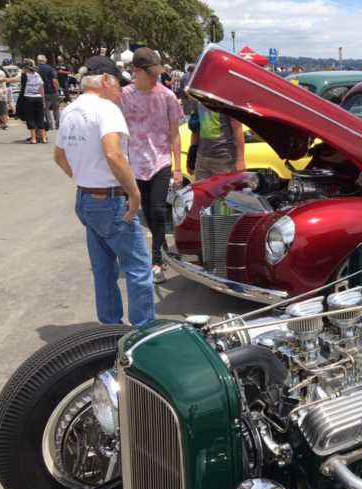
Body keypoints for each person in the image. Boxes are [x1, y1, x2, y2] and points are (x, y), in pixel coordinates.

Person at [53, 55, 154, 326]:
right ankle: (144, 335)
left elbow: (60, 156)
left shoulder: (70, 110)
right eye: (118, 84)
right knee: (138, 269)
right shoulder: (106, 109)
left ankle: (109, 331)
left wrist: (84, 175)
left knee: (103, 269)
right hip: (110, 199)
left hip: (86, 197)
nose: (121, 90)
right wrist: (134, 193)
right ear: (106, 81)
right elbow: (113, 154)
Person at [121, 47, 184, 284]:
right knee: (146, 212)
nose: (156, 77)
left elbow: (175, 134)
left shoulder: (166, 96)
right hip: (135, 163)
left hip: (160, 160)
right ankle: (163, 246)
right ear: (136, 70)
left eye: (158, 72)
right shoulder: (123, 96)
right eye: (152, 73)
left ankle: (157, 260)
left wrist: (177, 168)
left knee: (159, 210)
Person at [188, 102, 245, 181]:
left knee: (225, 192)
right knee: (202, 192)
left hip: (224, 159)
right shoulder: (198, 100)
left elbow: (238, 128)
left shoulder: (226, 101)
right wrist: (192, 157)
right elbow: (195, 130)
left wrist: (240, 160)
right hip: (202, 158)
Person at [20, 59, 48, 144]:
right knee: (40, 117)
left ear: (25, 67)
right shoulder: (37, 75)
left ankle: (34, 139)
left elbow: (13, 79)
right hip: (38, 98)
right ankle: (44, 138)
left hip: (28, 98)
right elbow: (41, 88)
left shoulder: (24, 75)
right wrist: (43, 100)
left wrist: (4, 79)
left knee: (30, 118)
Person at [37, 54, 60, 129]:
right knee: (55, 108)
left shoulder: (36, 69)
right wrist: (57, 90)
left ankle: (50, 125)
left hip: (41, 91)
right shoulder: (50, 68)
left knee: (45, 109)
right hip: (52, 91)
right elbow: (54, 80)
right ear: (45, 60)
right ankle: (58, 124)